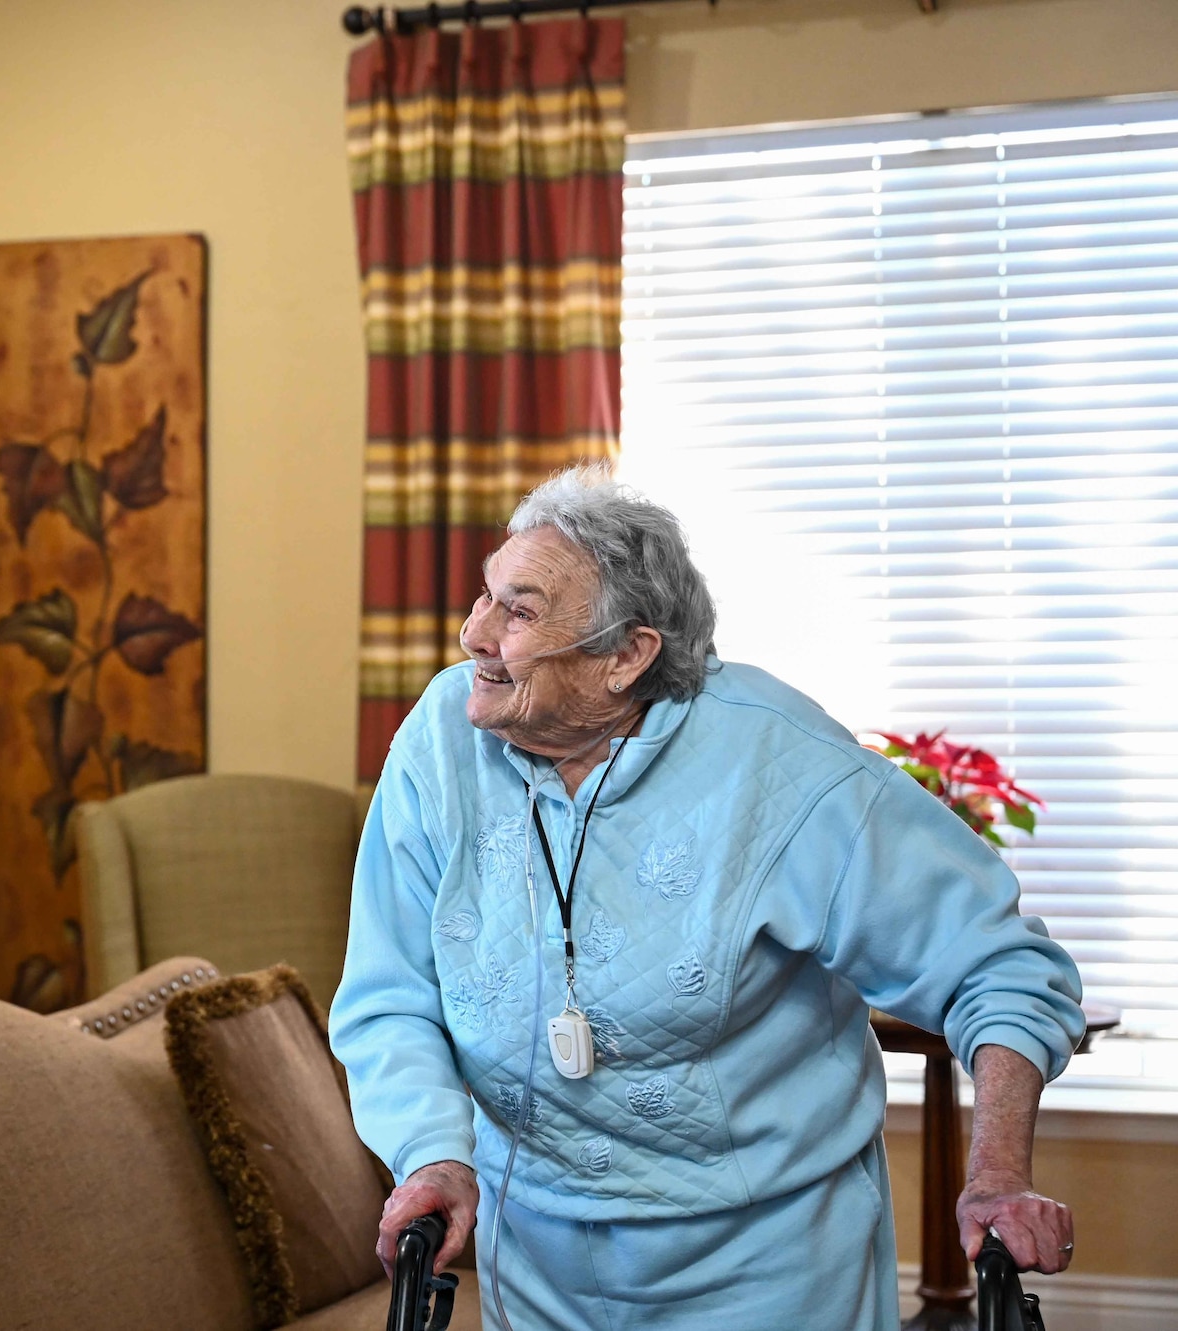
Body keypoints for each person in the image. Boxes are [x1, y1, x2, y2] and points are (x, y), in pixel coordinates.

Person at [329, 466, 1083, 1331]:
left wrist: (995, 1174)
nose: (473, 633)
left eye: (521, 611)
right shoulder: (441, 741)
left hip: (766, 1273)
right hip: (531, 1260)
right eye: (484, 596)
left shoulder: (781, 768)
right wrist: (430, 1152)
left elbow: (1002, 968)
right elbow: (391, 994)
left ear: (627, 655)